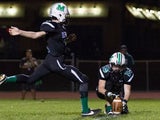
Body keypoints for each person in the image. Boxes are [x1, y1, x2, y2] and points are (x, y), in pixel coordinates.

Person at [0, 2, 101, 116]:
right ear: (60, 15)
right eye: (65, 14)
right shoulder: (51, 25)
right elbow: (36, 35)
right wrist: (19, 32)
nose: (67, 17)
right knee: (83, 79)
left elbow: (57, 42)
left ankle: (5, 79)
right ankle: (86, 111)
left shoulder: (60, 27)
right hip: (56, 61)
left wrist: (67, 40)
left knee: (30, 80)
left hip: (49, 61)